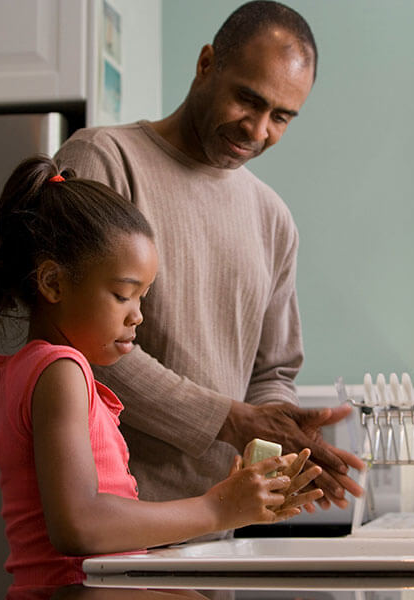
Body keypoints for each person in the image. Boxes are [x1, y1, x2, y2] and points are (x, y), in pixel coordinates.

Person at [54, 1, 364, 522]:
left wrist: (281, 432)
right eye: (249, 99)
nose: (258, 130)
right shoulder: (103, 160)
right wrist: (230, 420)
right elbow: (77, 339)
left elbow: (273, 369)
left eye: (281, 117)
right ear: (205, 65)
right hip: (107, 522)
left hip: (217, 525)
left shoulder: (272, 218)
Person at [0, 155, 323, 590]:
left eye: (143, 297)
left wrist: (234, 501)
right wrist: (216, 509)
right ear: (54, 284)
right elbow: (79, 525)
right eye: (123, 295)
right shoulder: (61, 370)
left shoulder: (33, 369)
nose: (138, 316)